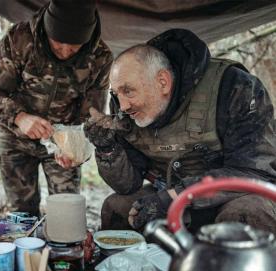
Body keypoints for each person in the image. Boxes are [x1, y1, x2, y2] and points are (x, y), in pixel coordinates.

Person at [84, 28, 276, 232]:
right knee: (117, 207)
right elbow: (127, 185)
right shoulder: (125, 108)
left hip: (231, 194)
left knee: (247, 214)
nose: (122, 106)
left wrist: (174, 197)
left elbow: (254, 172)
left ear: (163, 82)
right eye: (116, 93)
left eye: (128, 91)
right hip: (168, 191)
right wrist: (108, 150)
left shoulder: (234, 86)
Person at [0, 0, 112, 217]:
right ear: (48, 28)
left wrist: (77, 151)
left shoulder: (100, 57)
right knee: (22, 215)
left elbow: (92, 117)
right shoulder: (19, 39)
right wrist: (19, 117)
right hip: (15, 140)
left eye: (74, 48)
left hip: (62, 144)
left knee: (67, 213)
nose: (65, 52)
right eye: (58, 45)